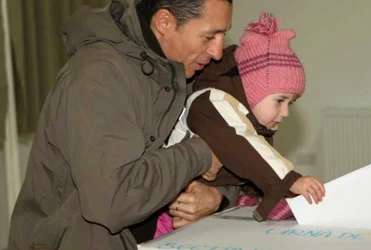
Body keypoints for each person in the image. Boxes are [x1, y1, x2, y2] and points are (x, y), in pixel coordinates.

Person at [8, 0, 236, 249]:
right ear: (164, 23)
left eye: (223, 34)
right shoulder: (96, 77)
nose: (217, 51)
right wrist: (201, 152)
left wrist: (217, 196)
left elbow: (249, 158)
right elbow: (114, 200)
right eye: (209, 36)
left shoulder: (189, 68)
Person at [156, 13, 325, 237]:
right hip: (165, 217)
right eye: (280, 101)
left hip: (193, 215)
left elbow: (247, 166)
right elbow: (245, 143)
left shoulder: (251, 123)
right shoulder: (212, 101)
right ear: (252, 91)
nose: (285, 113)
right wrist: (290, 181)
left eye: (290, 104)